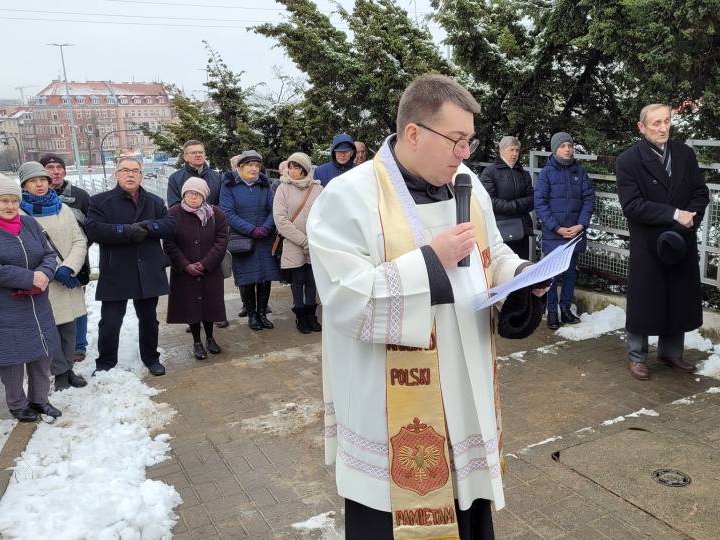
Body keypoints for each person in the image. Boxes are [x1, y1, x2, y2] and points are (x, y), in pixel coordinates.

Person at [309, 74, 547, 540]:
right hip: (388, 406)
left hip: (465, 388)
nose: (465, 153)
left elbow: (492, 252)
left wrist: (521, 278)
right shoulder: (350, 196)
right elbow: (345, 298)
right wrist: (430, 263)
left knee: (466, 507)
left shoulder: (468, 183)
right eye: (456, 140)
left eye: (469, 140)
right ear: (413, 133)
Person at [615, 104, 711, 381]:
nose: (663, 128)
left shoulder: (684, 153)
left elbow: (699, 191)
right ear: (641, 127)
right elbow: (632, 205)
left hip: (681, 239)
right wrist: (673, 214)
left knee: (677, 296)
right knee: (645, 299)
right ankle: (636, 356)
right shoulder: (628, 160)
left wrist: (692, 216)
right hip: (649, 242)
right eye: (656, 123)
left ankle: (671, 352)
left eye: (667, 121)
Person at [0, 174, 63, 422]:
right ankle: (17, 403)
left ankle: (40, 399)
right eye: (3, 201)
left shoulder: (29, 224)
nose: (10, 206)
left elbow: (48, 255)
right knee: (11, 357)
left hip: (35, 302)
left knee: (42, 351)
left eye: (14, 201)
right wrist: (28, 278)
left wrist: (43, 275)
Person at [86, 157, 177, 376]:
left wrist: (148, 226)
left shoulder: (154, 201)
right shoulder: (100, 201)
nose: (130, 175)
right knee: (110, 321)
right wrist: (126, 231)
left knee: (148, 319)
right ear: (116, 175)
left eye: (135, 171)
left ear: (141, 175)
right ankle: (106, 362)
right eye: (125, 170)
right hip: (116, 270)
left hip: (148, 269)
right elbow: (94, 230)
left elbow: (170, 225)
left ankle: (151, 357)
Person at [18, 162, 89, 391]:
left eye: (43, 180)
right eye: (33, 181)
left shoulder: (62, 208)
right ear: (24, 185)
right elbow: (22, 249)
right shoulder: (20, 213)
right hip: (43, 281)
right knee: (50, 329)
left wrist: (69, 267)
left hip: (67, 278)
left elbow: (79, 240)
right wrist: (51, 270)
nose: (39, 185)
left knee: (69, 327)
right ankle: (59, 372)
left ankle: (68, 369)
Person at [534, 132, 595, 329]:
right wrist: (557, 228)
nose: (567, 149)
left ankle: (566, 309)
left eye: (570, 145)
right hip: (555, 233)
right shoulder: (547, 173)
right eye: (563, 146)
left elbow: (589, 199)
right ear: (555, 149)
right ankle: (552, 312)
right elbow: (540, 203)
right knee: (552, 274)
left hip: (574, 233)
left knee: (569, 273)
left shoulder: (580, 172)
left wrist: (581, 224)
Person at [164, 178, 230, 360]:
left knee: (210, 305)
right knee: (191, 306)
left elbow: (222, 240)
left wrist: (206, 263)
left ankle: (210, 338)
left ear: (204, 196)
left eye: (197, 194)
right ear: (183, 195)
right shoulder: (173, 213)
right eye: (189, 193)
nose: (193, 197)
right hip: (184, 272)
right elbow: (169, 243)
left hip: (210, 270)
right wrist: (185, 265)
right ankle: (197, 342)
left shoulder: (216, 214)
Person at [168, 141, 230, 328]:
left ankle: (215, 314)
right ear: (185, 156)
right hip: (186, 236)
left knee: (213, 285)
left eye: (201, 151)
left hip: (210, 234)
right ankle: (192, 317)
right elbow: (173, 205)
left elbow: (222, 204)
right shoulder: (176, 178)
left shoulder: (216, 177)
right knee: (189, 286)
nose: (198, 155)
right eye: (193, 152)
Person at [219, 150, 280, 331]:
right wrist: (252, 230)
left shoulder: (264, 184)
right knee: (247, 278)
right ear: (241, 166)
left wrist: (266, 227)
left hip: (265, 237)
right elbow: (227, 213)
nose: (254, 169)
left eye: (257, 165)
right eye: (250, 165)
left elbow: (273, 209)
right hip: (242, 240)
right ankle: (252, 315)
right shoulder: (229, 185)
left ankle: (262, 313)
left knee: (265, 276)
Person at [40, 153, 92, 362]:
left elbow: (91, 229)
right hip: (45, 265)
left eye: (59, 167)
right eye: (50, 167)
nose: (56, 171)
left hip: (76, 261)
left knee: (76, 303)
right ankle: (56, 348)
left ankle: (78, 346)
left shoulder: (80, 196)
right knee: (51, 306)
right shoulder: (31, 199)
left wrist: (74, 258)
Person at [273, 152, 324, 334]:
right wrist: (303, 240)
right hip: (293, 243)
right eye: (291, 167)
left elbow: (325, 215)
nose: (292, 171)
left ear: (306, 169)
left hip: (315, 244)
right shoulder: (283, 189)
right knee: (298, 280)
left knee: (312, 280)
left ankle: (312, 314)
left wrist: (314, 239)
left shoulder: (318, 189)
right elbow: (281, 219)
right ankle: (300, 315)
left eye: (297, 168)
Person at [480, 136, 534, 260]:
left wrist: (516, 205)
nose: (515, 154)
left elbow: (532, 200)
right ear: (501, 150)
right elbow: (489, 201)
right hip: (500, 231)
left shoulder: (524, 174)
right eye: (511, 150)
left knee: (522, 268)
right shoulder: (490, 172)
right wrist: (515, 206)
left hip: (521, 231)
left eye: (517, 150)